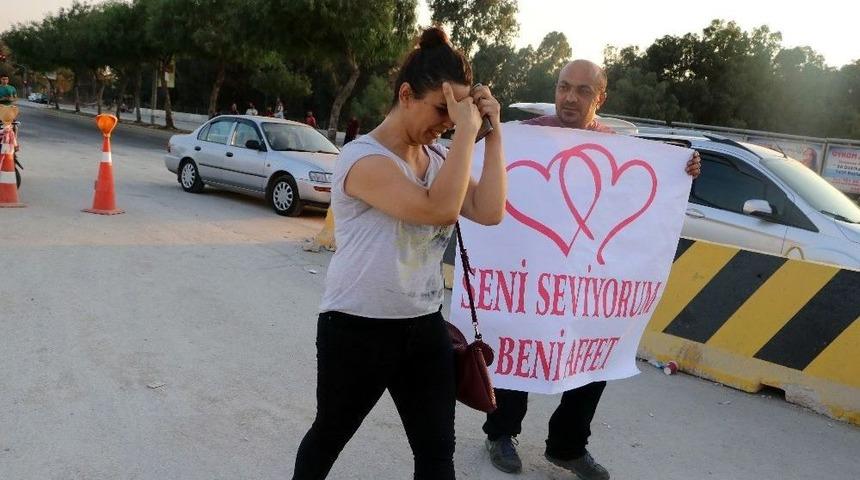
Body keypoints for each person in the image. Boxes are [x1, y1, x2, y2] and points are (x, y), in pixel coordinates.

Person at [292, 26, 507, 480]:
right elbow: (438, 209)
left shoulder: (440, 158)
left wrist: (495, 134)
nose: (448, 123)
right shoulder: (360, 159)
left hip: (424, 326)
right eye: (442, 110)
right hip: (356, 328)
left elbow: (489, 211)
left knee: (436, 454)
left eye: (457, 114)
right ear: (406, 94)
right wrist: (467, 134)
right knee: (329, 435)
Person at [482, 59, 701, 480]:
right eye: (564, 87)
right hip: (532, 272)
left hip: (589, 281)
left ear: (601, 97)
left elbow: (646, 202)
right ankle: (501, 433)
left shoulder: (620, 149)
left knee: (592, 359)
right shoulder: (526, 136)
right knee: (520, 351)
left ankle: (567, 447)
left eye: (583, 90)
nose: (569, 97)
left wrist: (684, 171)